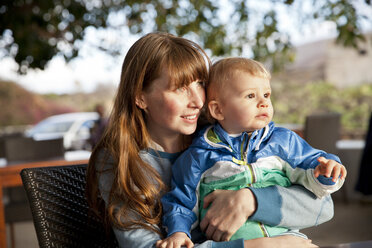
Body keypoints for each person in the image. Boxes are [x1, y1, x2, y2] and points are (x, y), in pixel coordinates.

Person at [86, 32, 333, 248]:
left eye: (200, 84)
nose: (198, 101)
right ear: (141, 97)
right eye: (180, 88)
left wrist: (250, 200)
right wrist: (256, 246)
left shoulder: (224, 137)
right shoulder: (119, 161)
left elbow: (323, 207)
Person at [159, 57, 347, 247]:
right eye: (250, 96)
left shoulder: (283, 142)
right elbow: (181, 202)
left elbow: (312, 165)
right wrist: (178, 232)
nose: (263, 103)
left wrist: (327, 170)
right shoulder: (197, 157)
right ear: (218, 109)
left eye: (266, 95)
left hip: (288, 240)